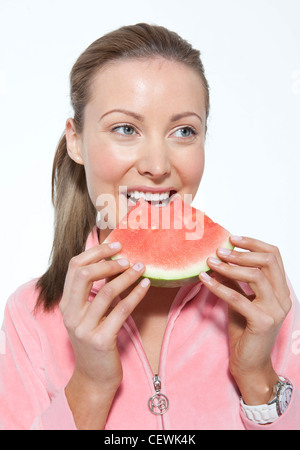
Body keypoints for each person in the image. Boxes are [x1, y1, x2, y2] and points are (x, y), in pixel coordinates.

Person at [0, 23, 299, 431]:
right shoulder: (30, 316)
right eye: (125, 129)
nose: (158, 167)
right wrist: (91, 384)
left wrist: (257, 377)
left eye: (184, 131)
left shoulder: (259, 300)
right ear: (75, 140)